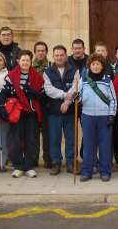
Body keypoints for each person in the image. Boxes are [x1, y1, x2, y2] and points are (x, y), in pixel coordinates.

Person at [0, 50, 44, 178]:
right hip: (16, 112)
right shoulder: (11, 76)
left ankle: (29, 166)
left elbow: (41, 95)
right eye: (23, 60)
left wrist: (33, 93)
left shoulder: (37, 77)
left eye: (27, 60)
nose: (25, 62)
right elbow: (3, 93)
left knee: (31, 139)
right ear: (19, 61)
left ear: (31, 62)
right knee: (15, 139)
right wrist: (1, 106)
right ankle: (18, 166)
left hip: (31, 112)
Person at [78, 53, 117, 182]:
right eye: (93, 64)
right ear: (89, 66)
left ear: (102, 66)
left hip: (104, 116)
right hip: (87, 116)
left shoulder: (107, 80)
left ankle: (105, 171)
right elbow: (79, 95)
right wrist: (75, 97)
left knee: (105, 145)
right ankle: (86, 171)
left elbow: (113, 100)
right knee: (88, 145)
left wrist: (112, 114)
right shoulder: (83, 80)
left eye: (98, 64)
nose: (95, 66)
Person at [43, 45, 79, 175]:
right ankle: (56, 163)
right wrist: (65, 96)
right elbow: (48, 90)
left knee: (71, 138)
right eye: (56, 55)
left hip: (69, 111)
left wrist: (67, 102)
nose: (59, 57)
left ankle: (71, 163)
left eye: (61, 55)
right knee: (54, 139)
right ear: (53, 57)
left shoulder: (74, 70)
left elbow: (76, 87)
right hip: (53, 111)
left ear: (66, 55)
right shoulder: (47, 71)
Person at [32, 41, 52, 169]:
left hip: (47, 103)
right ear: (34, 52)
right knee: (33, 133)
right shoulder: (29, 66)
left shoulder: (51, 66)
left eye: (43, 50)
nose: (40, 53)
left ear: (46, 52)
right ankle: (33, 158)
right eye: (38, 50)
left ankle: (48, 159)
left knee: (47, 133)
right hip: (33, 103)